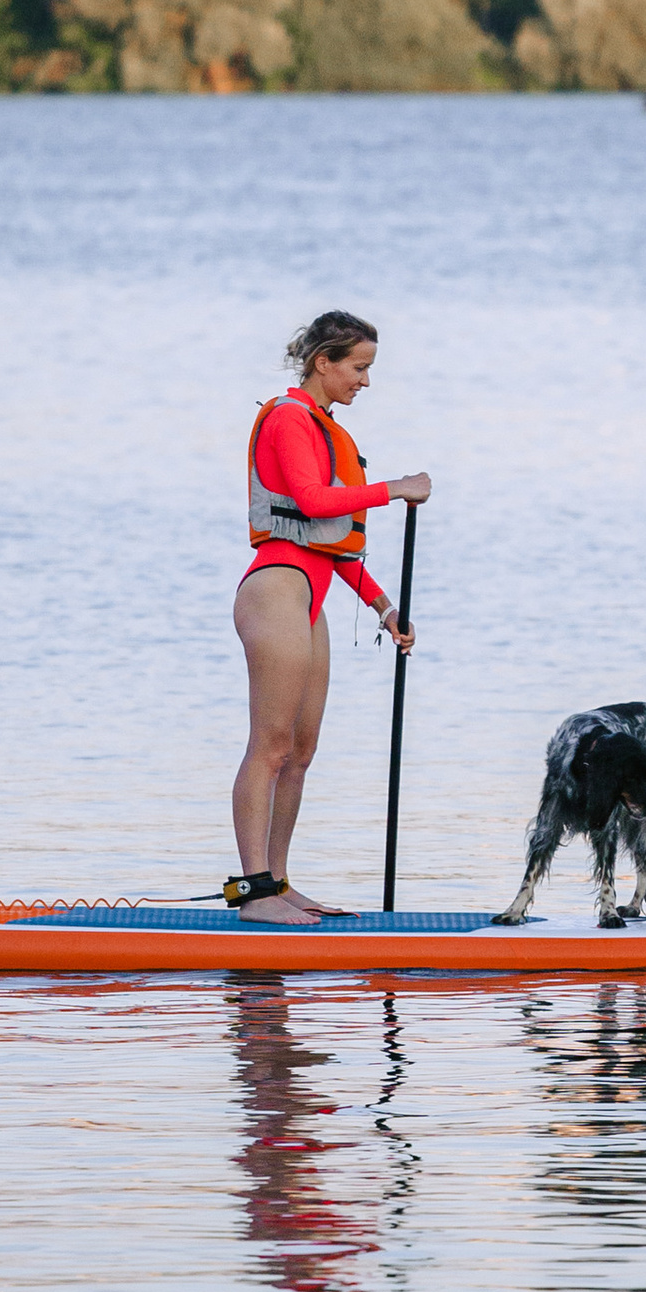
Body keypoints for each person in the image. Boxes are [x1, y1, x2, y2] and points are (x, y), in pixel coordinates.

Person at [229, 311, 431, 926]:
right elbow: (314, 502)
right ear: (324, 362)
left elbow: (329, 541)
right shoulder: (290, 419)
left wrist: (383, 605)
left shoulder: (325, 427)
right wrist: (394, 486)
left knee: (301, 750)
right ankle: (253, 892)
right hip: (276, 590)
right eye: (359, 368)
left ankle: (280, 883)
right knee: (269, 747)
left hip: (310, 593)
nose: (365, 381)